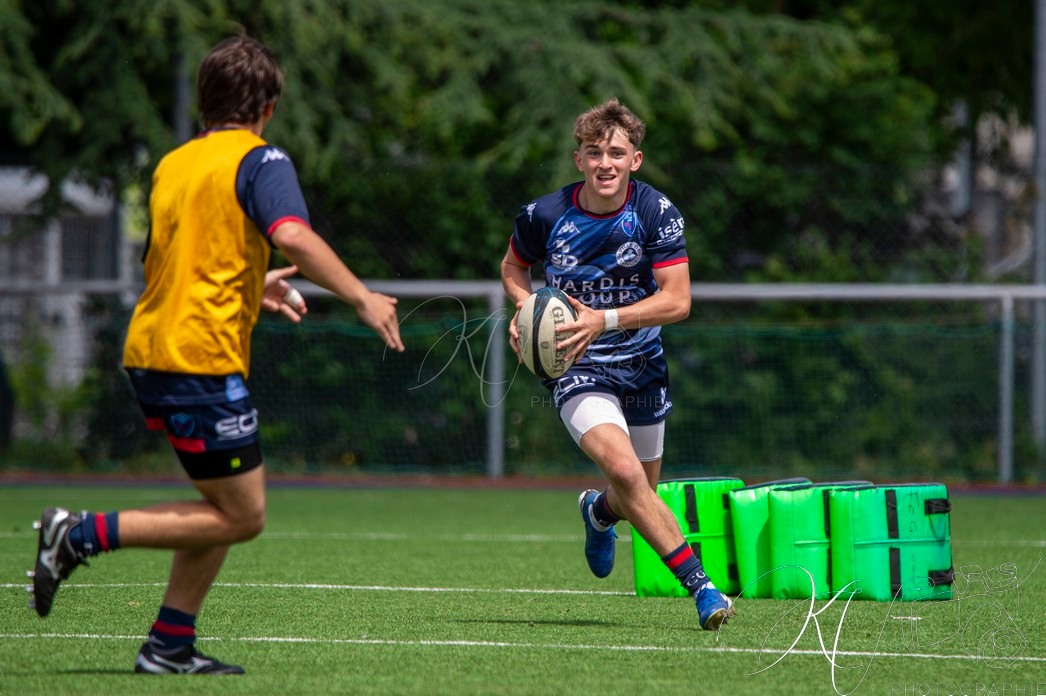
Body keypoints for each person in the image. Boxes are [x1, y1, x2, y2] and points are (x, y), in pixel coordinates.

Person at [27, 36, 404, 675]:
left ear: (206, 102)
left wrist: (253, 288)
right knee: (242, 515)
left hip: (156, 345)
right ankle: (80, 535)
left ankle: (170, 644)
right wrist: (363, 297)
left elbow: (171, 266)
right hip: (196, 357)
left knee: (219, 510)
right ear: (269, 105)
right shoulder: (262, 160)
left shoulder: (174, 163)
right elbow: (292, 236)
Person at [500, 98, 735, 631]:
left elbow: (678, 301)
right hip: (574, 365)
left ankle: (597, 512)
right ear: (578, 159)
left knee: (636, 495)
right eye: (593, 151)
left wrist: (603, 319)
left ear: (635, 160)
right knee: (627, 471)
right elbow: (514, 265)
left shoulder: (655, 213)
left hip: (643, 363)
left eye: (616, 152)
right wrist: (525, 309)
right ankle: (703, 590)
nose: (605, 162)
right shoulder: (545, 214)